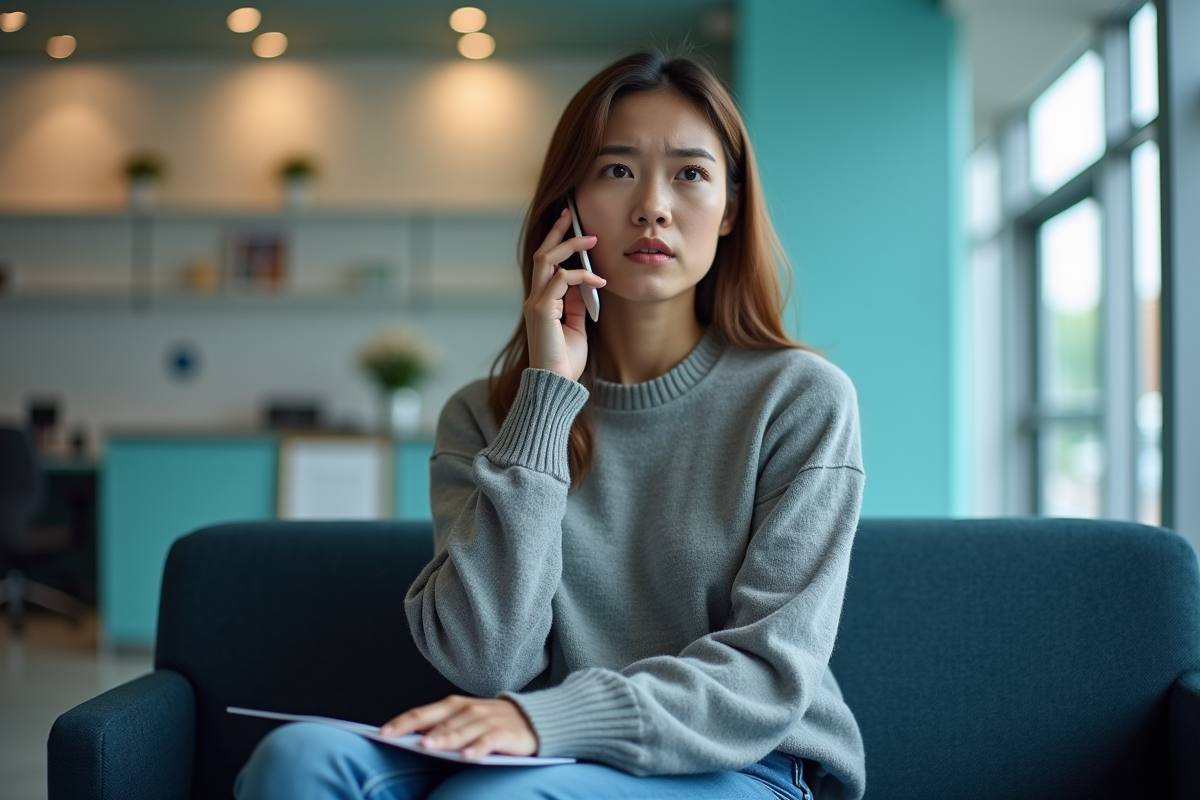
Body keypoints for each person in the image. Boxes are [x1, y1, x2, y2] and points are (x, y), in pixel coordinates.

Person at [236, 51, 866, 800]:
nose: (654, 207)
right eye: (617, 170)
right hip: (540, 751)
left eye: (691, 174)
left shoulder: (800, 400)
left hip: (743, 761)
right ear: (565, 206)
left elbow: (767, 672)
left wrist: (551, 720)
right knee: (296, 762)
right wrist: (545, 398)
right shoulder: (483, 414)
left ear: (731, 207)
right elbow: (484, 662)